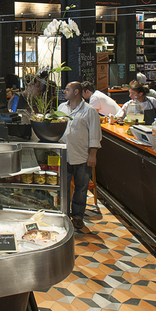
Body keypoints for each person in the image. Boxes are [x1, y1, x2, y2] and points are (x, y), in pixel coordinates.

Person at [58, 82, 102, 232]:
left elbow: (95, 135)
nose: (64, 91)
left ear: (76, 92)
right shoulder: (62, 108)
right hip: (64, 154)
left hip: (82, 155)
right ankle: (64, 214)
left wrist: (92, 155)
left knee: (81, 188)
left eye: (67, 89)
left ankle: (77, 216)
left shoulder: (89, 111)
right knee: (63, 187)